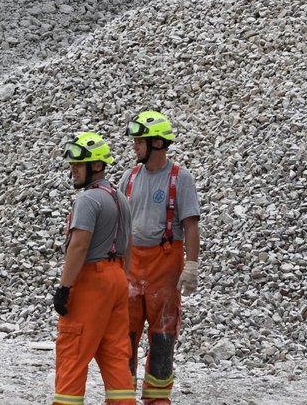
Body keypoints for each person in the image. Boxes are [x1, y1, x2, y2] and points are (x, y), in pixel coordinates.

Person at [122, 110, 201, 405]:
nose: (134, 146)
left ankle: (157, 399)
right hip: (131, 264)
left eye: (139, 141)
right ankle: (122, 395)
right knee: (124, 335)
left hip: (165, 266)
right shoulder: (129, 177)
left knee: (163, 334)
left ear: (157, 143)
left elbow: (191, 225)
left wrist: (191, 266)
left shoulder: (181, 179)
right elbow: (117, 220)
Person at [53, 132, 135, 405]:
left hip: (91, 281)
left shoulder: (88, 200)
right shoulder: (120, 198)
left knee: (72, 354)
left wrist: (64, 288)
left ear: (97, 166)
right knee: (115, 356)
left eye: (79, 164)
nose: (72, 170)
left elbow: (79, 246)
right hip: (117, 279)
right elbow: (130, 242)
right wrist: (122, 279)